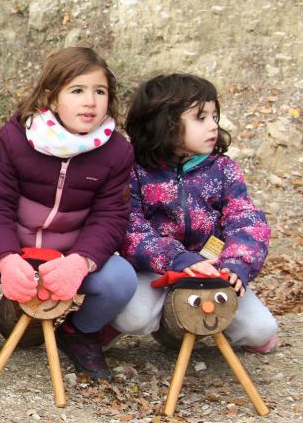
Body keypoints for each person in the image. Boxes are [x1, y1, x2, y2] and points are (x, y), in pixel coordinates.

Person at [0, 47, 136, 380]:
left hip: (67, 258)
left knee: (122, 279)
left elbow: (110, 217)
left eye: (99, 91)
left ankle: (80, 334)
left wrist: (80, 261)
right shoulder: (17, 137)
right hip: (16, 249)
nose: (90, 101)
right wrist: (5, 258)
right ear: (51, 96)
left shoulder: (117, 151)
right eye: (77, 90)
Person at [112, 74, 278, 353]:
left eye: (215, 116)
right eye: (201, 118)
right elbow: (131, 228)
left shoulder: (222, 169)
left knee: (261, 330)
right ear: (164, 124)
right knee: (131, 317)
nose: (213, 125)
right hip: (158, 271)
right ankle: (165, 327)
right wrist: (176, 258)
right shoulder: (136, 171)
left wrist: (237, 263)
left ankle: (209, 324)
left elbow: (245, 219)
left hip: (214, 272)